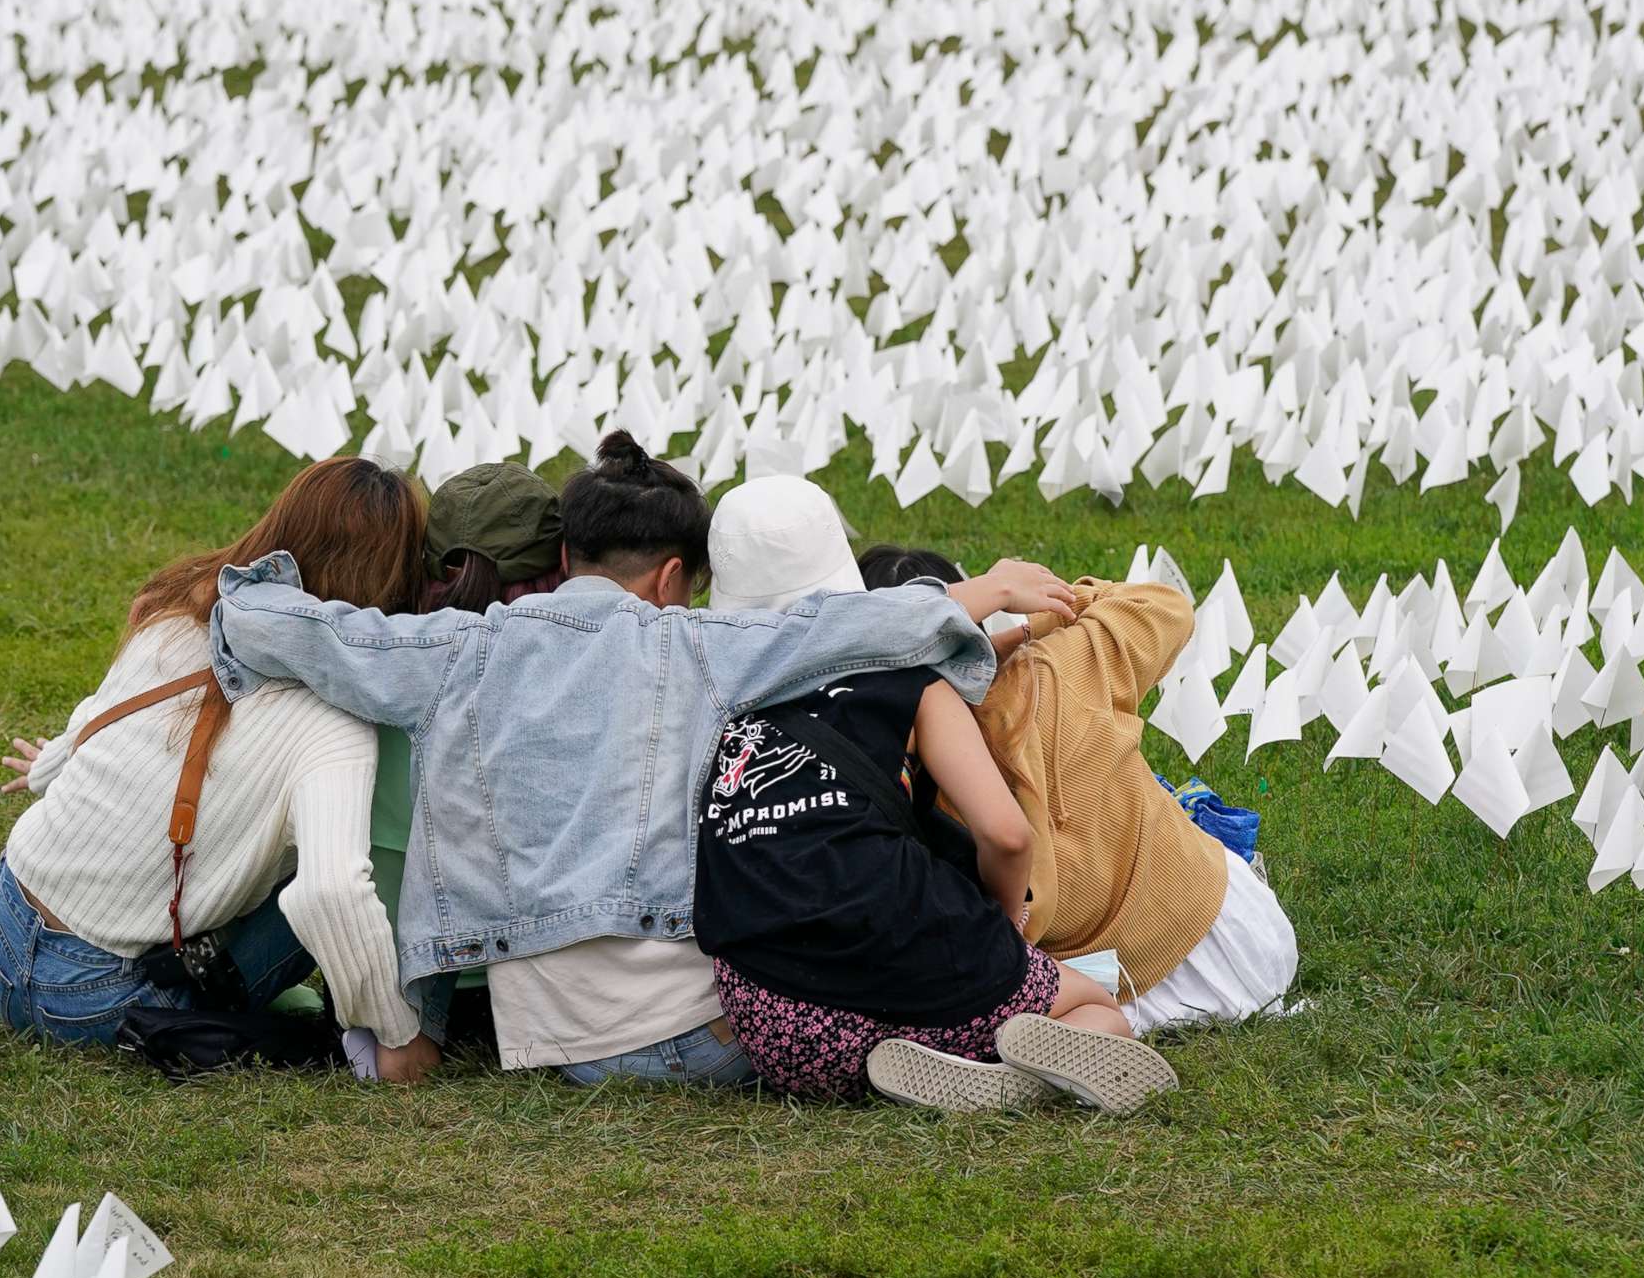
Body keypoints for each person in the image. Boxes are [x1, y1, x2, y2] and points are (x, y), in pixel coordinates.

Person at [205, 431, 1077, 1088]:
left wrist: (241, 599)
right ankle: (970, 1034)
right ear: (669, 578)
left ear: (563, 556)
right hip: (699, 1037)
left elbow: (322, 634)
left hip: (546, 1045)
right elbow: (834, 626)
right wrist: (987, 590)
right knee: (869, 955)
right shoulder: (691, 645)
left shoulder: (455, 651)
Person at [696, 478, 1180, 1113]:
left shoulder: (721, 698)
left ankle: (923, 1054)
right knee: (1097, 1008)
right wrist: (1005, 931)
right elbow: (1007, 836)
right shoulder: (912, 684)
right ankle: (1012, 1074)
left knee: (901, 992)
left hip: (776, 1031)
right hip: (908, 947)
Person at [0, 457, 440, 1083]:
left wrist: (55, 767)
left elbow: (105, 711)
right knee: (354, 861)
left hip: (0, 929)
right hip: (93, 1001)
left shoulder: (179, 614)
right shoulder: (335, 721)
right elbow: (333, 892)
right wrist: (397, 1034)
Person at [861, 546, 1299, 1037]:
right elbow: (1166, 606)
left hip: (1107, 984)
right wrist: (1028, 628)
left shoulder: (881, 761)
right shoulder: (1063, 664)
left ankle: (1017, 1041)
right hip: (1239, 935)